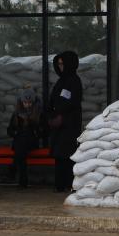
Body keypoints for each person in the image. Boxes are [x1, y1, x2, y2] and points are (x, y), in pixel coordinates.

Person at [47, 51, 83, 193]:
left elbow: (71, 101)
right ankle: (60, 184)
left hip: (69, 125)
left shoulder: (74, 80)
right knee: (59, 155)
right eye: (59, 64)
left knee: (67, 155)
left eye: (63, 64)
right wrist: (52, 111)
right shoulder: (61, 81)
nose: (60, 67)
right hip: (59, 125)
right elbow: (54, 99)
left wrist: (59, 110)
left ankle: (68, 183)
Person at [7, 87, 43, 188]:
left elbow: (43, 131)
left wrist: (32, 126)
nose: (27, 105)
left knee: (22, 141)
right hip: (20, 143)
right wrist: (15, 132)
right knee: (21, 151)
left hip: (31, 142)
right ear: (21, 102)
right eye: (25, 102)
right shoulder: (16, 114)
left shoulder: (38, 113)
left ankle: (13, 169)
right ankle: (23, 182)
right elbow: (9, 130)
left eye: (30, 103)